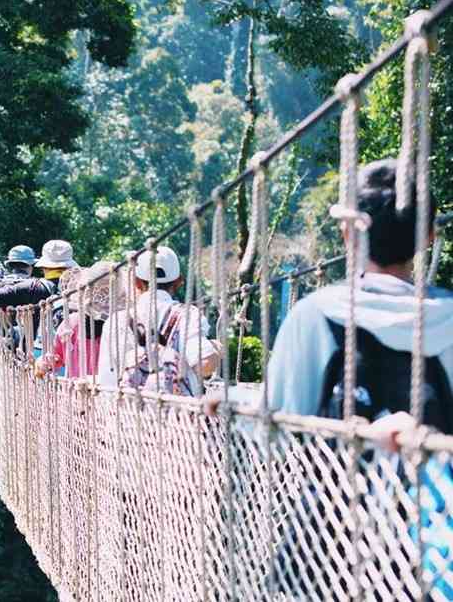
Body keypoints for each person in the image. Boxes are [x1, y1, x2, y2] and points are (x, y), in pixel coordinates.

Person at [203, 159, 453, 600]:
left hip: (330, 549)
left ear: (349, 233)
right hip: (431, 552)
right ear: (429, 235)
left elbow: (272, 428)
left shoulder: (316, 315)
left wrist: (231, 409)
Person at [97, 246, 217, 396]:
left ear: (136, 283)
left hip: (128, 413)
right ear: (179, 282)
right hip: (178, 415)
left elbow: (107, 382)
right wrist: (215, 350)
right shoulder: (188, 315)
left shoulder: (115, 321)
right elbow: (205, 365)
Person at [36, 262, 118, 379]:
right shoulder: (121, 323)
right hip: (109, 393)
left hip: (75, 392)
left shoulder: (70, 324)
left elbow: (54, 358)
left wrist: (41, 364)